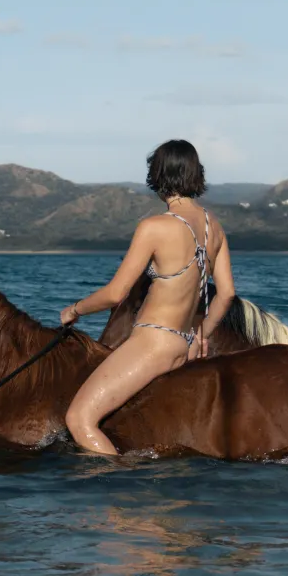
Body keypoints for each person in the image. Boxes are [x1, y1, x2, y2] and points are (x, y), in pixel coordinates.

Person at [59, 140, 235, 455]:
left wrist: (75, 309)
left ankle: (115, 500)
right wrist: (202, 334)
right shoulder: (215, 228)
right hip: (185, 345)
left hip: (152, 343)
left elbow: (115, 294)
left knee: (79, 419)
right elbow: (227, 294)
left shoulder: (154, 227)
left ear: (158, 175)